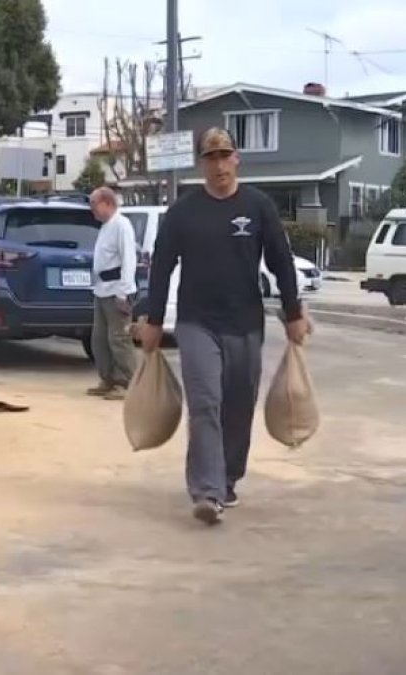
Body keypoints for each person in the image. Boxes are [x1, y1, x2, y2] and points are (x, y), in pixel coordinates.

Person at [139, 127, 312, 525]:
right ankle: (207, 491)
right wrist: (151, 320)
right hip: (197, 322)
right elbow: (162, 265)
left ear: (237, 159)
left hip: (246, 323)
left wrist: (293, 313)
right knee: (205, 404)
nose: (219, 165)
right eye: (211, 158)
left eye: (225, 156)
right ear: (202, 163)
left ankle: (228, 477)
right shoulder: (183, 211)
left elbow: (281, 262)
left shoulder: (258, 206)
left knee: (238, 406)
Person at [86, 187, 138, 401]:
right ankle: (108, 378)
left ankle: (129, 382)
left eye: (94, 205)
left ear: (107, 203)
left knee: (119, 338)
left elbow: (128, 259)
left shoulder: (121, 225)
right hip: (102, 289)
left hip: (117, 288)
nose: (92, 211)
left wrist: (124, 292)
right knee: (99, 339)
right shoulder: (106, 227)